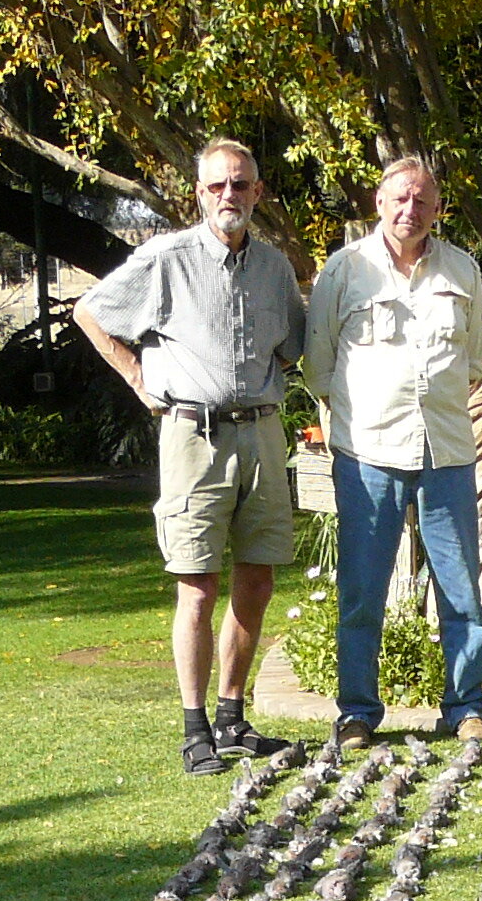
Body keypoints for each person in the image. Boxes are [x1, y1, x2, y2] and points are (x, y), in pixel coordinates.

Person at [72, 138, 307, 775]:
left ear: (258, 192)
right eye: (217, 186)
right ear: (198, 194)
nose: (229, 195)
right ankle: (195, 728)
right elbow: (90, 311)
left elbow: (294, 345)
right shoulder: (165, 259)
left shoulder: (275, 269)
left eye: (241, 185)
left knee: (257, 579)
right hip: (192, 439)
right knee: (197, 585)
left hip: (261, 432)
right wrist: (137, 379)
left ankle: (233, 718)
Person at [302, 155, 482, 748]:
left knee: (461, 590)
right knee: (362, 591)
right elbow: (318, 364)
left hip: (447, 454)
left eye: (423, 200)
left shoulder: (463, 270)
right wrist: (360, 421)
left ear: (438, 209)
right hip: (368, 456)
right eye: (399, 198)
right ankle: (357, 712)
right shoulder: (345, 270)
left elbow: (476, 358)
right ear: (379, 203)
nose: (410, 210)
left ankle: (466, 708)